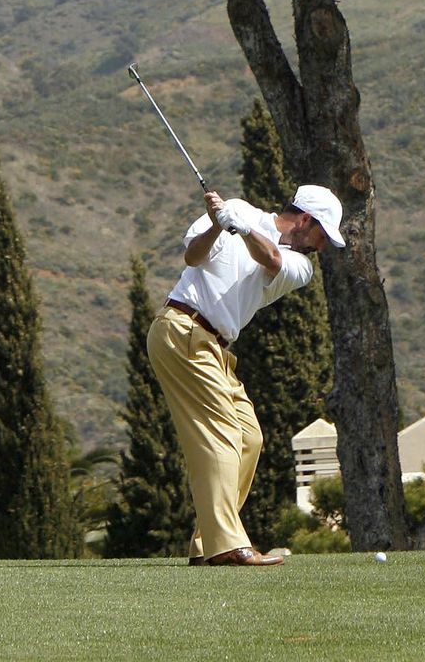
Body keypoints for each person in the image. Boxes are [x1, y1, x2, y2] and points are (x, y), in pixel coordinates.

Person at [147, 180, 344, 566]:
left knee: (248, 438)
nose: (322, 248)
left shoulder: (301, 266)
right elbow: (193, 257)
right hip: (183, 329)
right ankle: (226, 546)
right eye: (322, 236)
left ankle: (209, 543)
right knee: (222, 434)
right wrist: (218, 225)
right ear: (305, 219)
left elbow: (270, 258)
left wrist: (240, 226)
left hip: (214, 346)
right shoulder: (237, 210)